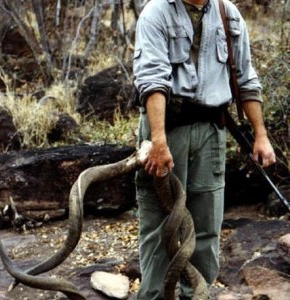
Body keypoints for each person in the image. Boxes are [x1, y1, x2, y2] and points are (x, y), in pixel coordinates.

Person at [132, 0, 276, 299]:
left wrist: (261, 135)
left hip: (211, 130)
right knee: (160, 224)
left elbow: (246, 78)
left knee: (207, 221)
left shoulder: (229, 14)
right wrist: (158, 141)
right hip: (166, 129)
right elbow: (152, 80)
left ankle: (197, 294)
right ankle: (154, 296)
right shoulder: (156, 12)